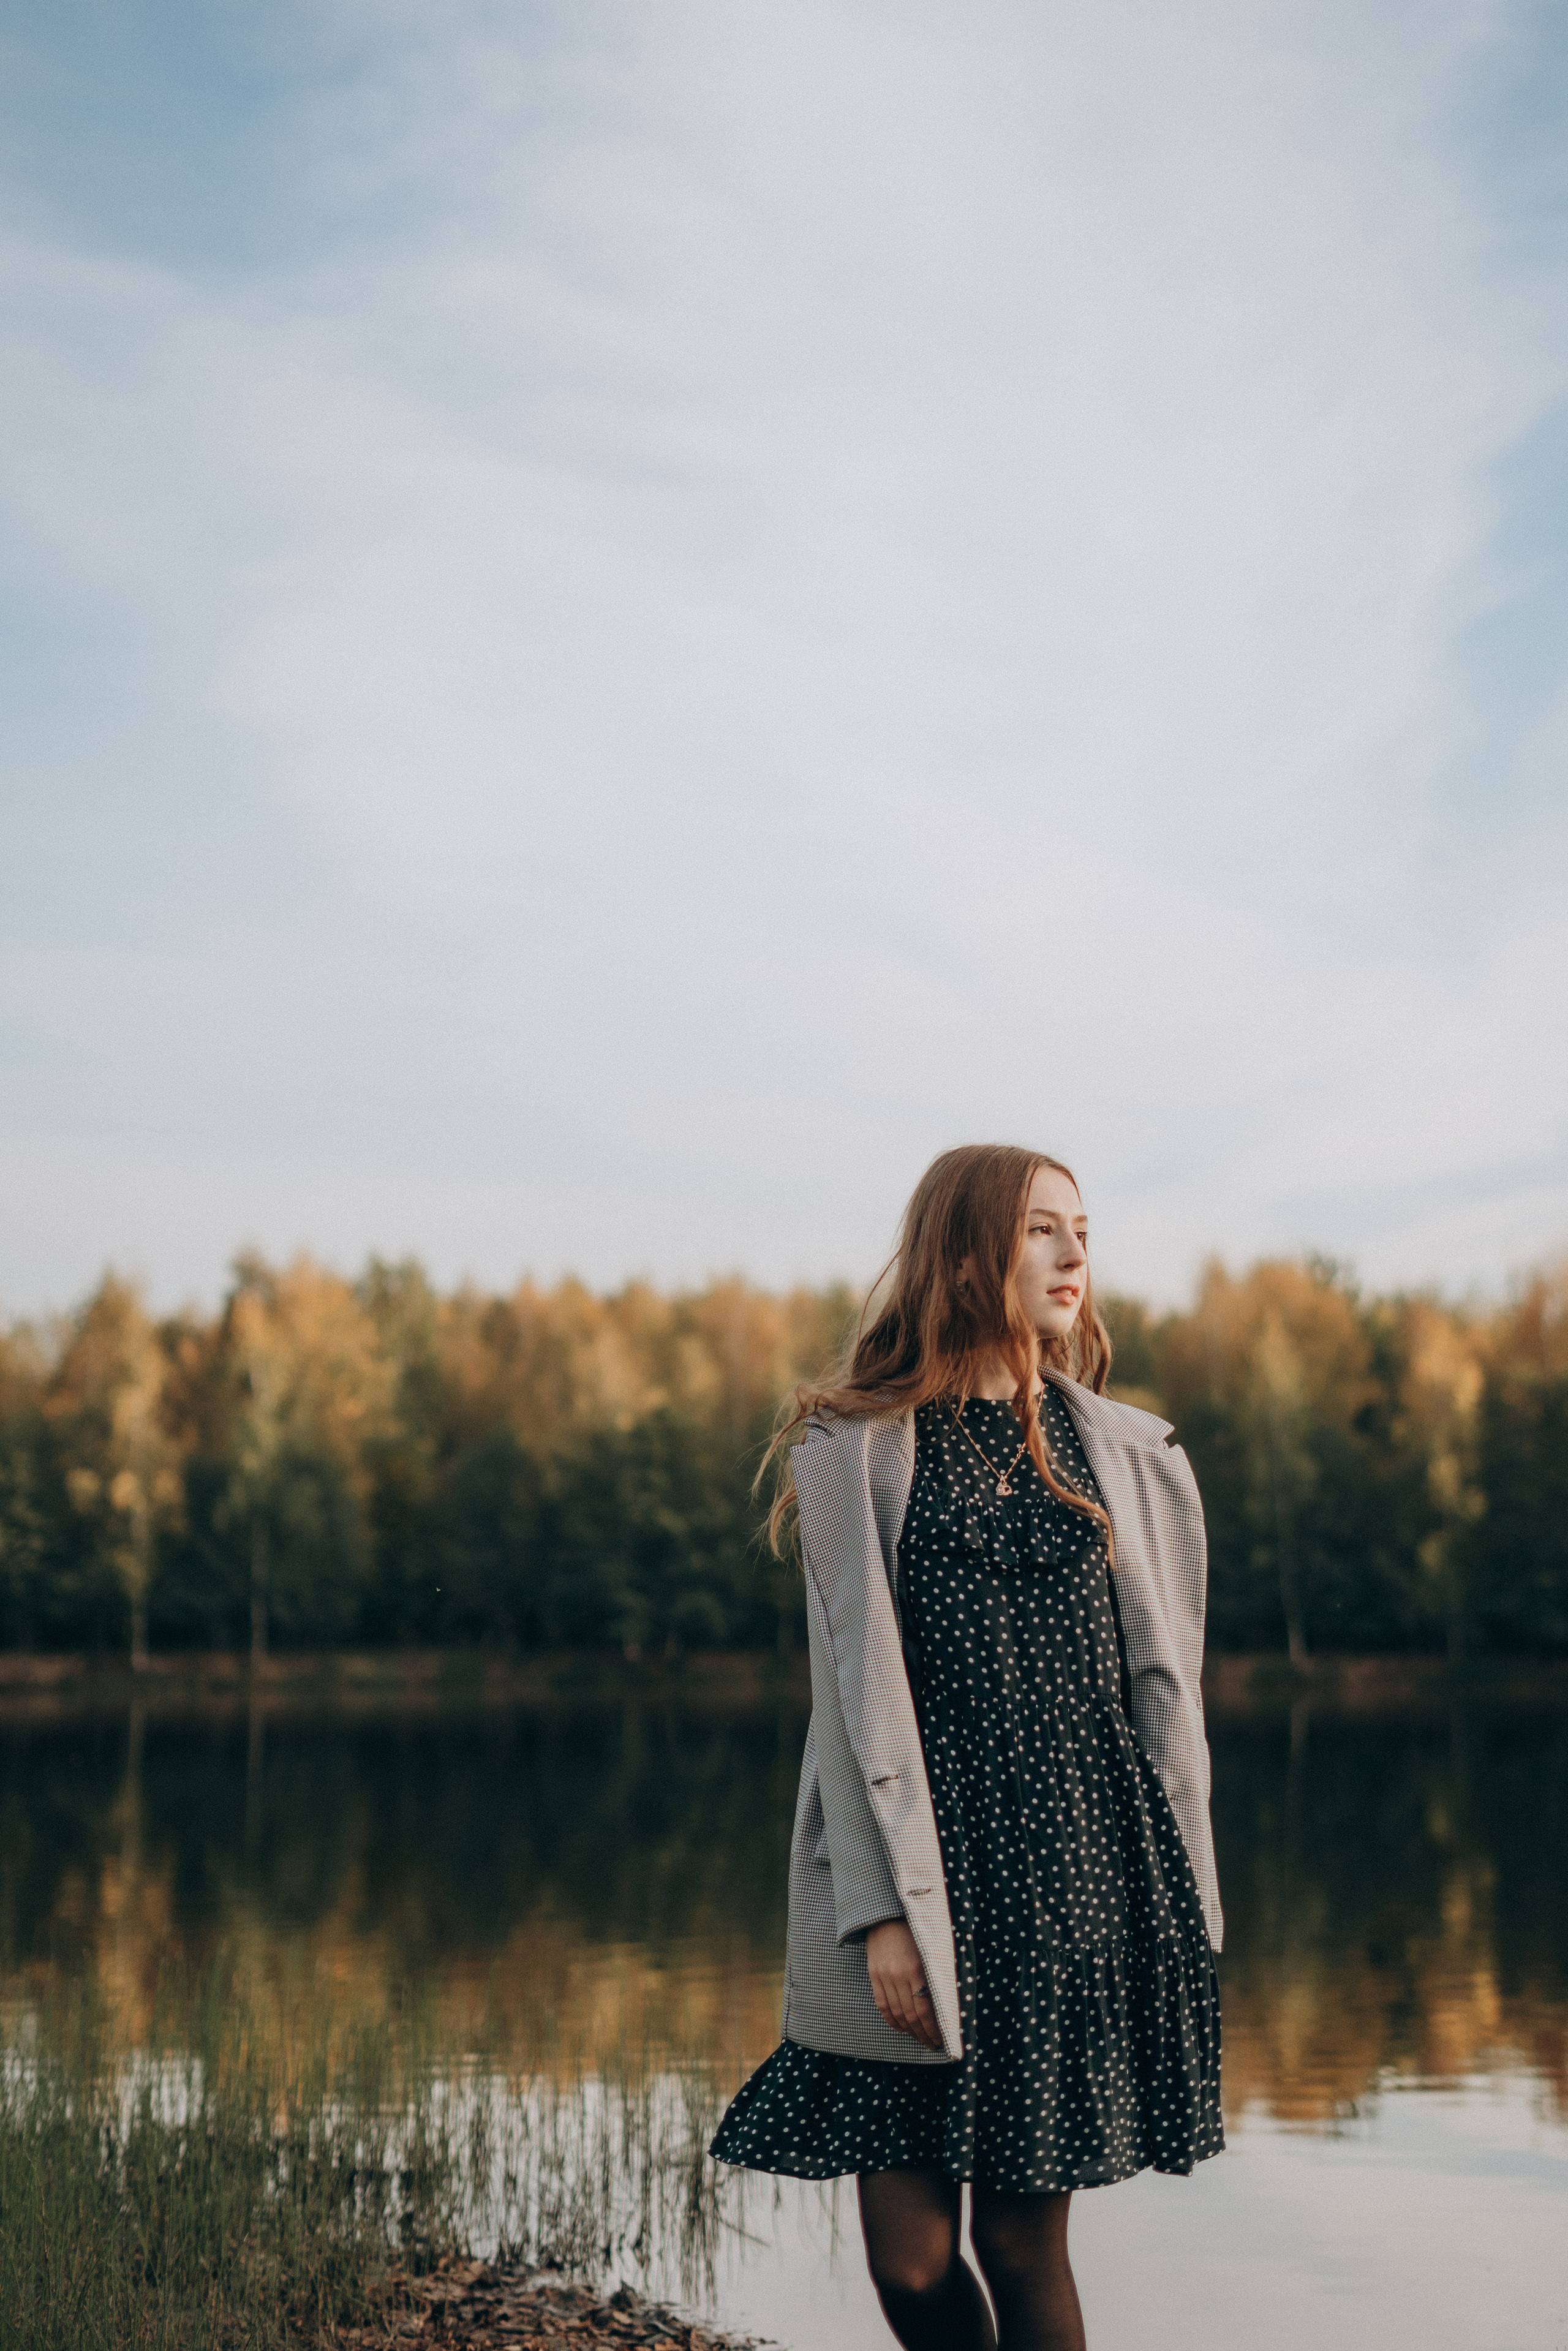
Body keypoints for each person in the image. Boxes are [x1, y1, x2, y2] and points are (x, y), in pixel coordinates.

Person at [709, 1144, 1223, 2350]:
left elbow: (1166, 1700)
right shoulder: (858, 1449)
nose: (1073, 1252)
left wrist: (1187, 1904)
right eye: (1040, 1228)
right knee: (911, 2253)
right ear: (961, 1255)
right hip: (921, 1874)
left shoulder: (1129, 1453)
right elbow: (851, 1699)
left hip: (1078, 1880)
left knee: (1018, 2242)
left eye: (1081, 1229)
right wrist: (877, 1911)